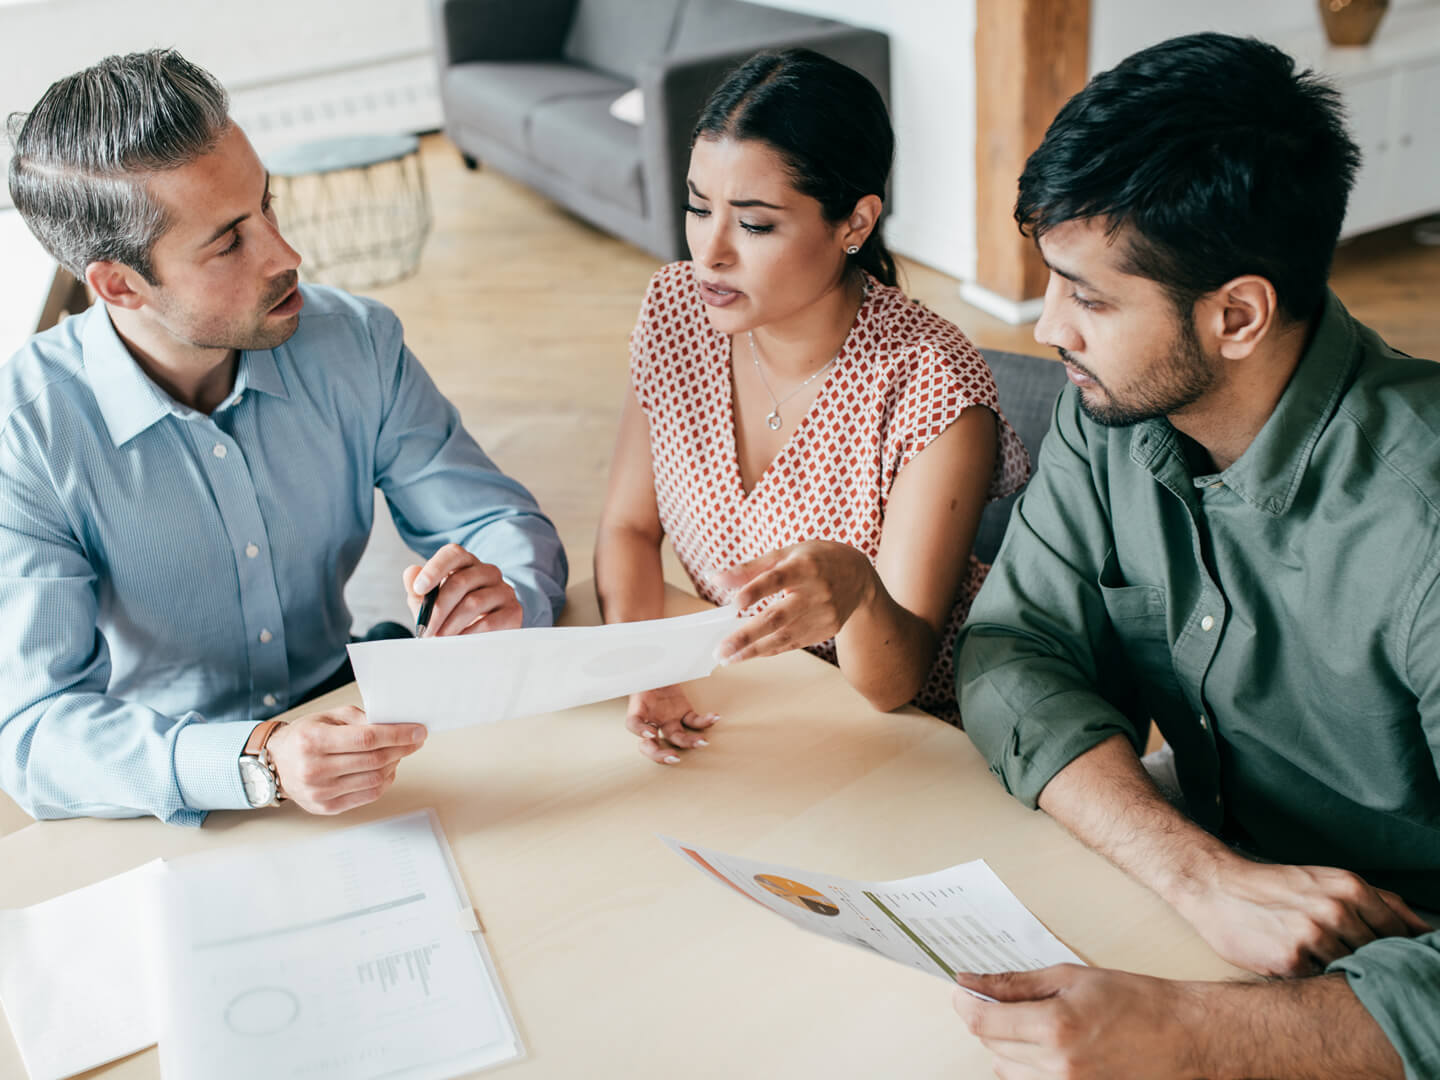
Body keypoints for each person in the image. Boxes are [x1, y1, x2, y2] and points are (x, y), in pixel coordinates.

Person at [953, 32, 1438, 1078]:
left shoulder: (1425, 524)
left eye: (1089, 297)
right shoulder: (1114, 409)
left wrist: (1193, 1036)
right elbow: (1015, 651)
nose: (1049, 329)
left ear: (1237, 316)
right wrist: (1194, 873)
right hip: (1211, 911)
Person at [0, 50, 567, 826]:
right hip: (170, 789)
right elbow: (36, 731)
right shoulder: (25, 431)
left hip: (362, 726)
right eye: (229, 242)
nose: (285, 256)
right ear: (120, 285)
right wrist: (257, 759)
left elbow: (498, 523)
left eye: (267, 206)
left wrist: (505, 598)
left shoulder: (357, 342)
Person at [595, 49, 1028, 762]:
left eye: (756, 225)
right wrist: (650, 669)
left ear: (854, 223)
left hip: (913, 738)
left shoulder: (933, 381)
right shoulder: (677, 310)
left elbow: (897, 682)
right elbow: (626, 527)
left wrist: (856, 592)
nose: (711, 252)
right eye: (699, 208)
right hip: (753, 702)